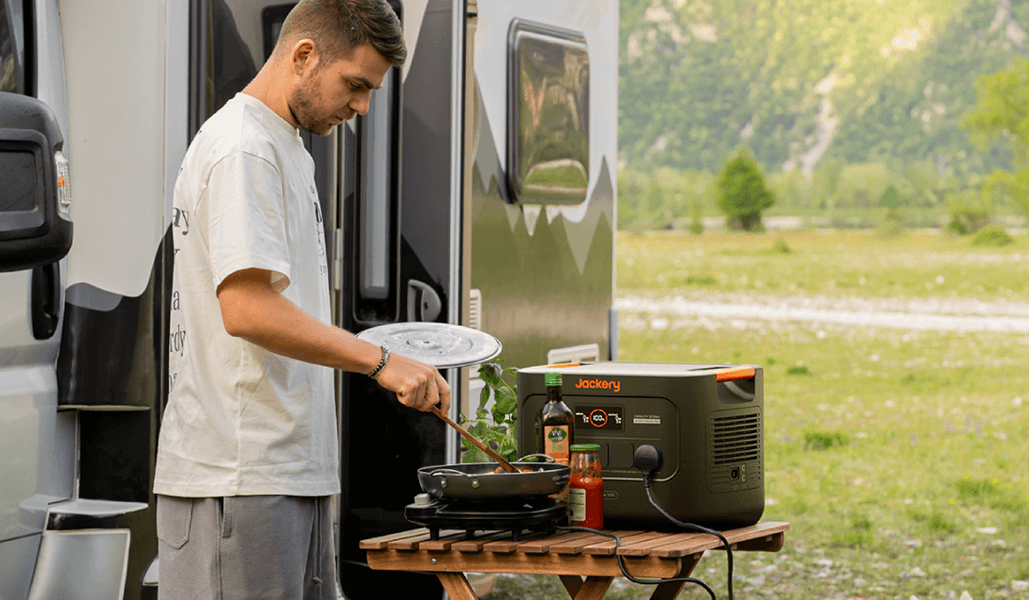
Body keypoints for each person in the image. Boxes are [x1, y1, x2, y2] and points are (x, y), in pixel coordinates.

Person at [153, 1, 451, 599]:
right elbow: (248, 308)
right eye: (356, 85)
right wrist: (383, 362)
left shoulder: (282, 144)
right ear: (305, 55)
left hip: (287, 471)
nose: (363, 106)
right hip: (238, 474)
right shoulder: (244, 149)